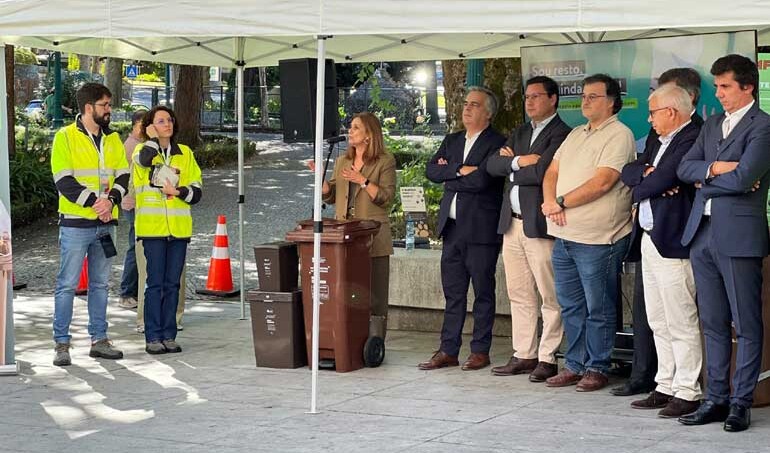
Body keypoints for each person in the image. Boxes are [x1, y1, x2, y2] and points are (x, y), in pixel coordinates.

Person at [677, 54, 770, 432]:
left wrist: (708, 177)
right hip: (702, 233)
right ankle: (715, 398)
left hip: (740, 235)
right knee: (712, 322)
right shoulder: (712, 123)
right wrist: (716, 168)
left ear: (748, 86)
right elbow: (685, 168)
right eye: (716, 86)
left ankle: (740, 401)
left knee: (746, 323)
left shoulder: (763, 126)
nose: (719, 94)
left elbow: (747, 175)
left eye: (726, 86)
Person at [611, 67, 704, 398]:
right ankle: (664, 384)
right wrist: (647, 176)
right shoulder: (658, 139)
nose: (648, 119)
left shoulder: (693, 135)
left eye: (652, 113)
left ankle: (687, 390)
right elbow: (630, 172)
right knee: (658, 319)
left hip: (675, 239)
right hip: (649, 236)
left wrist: (649, 179)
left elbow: (663, 179)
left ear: (671, 111)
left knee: (680, 319)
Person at [541, 74, 636, 392]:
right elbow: (551, 170)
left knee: (599, 306)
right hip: (565, 236)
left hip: (599, 238)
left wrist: (561, 202)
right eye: (583, 96)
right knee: (570, 305)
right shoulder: (576, 134)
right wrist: (548, 201)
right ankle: (575, 364)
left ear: (611, 101)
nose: (585, 101)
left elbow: (604, 181)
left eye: (593, 96)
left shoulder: (619, 134)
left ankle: (598, 366)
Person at [486, 76, 570, 382]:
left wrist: (513, 167)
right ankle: (524, 353)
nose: (530, 102)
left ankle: (548, 357)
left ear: (553, 99)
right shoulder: (520, 131)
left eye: (536, 96)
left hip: (540, 225)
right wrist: (521, 161)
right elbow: (492, 166)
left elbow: (544, 172)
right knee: (519, 293)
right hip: (512, 224)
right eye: (526, 97)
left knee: (549, 294)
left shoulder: (562, 133)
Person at [419, 87, 506, 371]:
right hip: (452, 228)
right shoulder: (452, 139)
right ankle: (448, 349)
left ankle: (480, 350)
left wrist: (451, 175)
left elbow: (483, 181)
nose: (467, 108)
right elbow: (432, 171)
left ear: (488, 112)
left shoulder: (497, 142)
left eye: (475, 105)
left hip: (481, 230)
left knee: (483, 291)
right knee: (453, 292)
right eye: (466, 103)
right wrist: (458, 170)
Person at [50, 83, 129, 366]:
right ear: (88, 108)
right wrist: (97, 202)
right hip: (75, 224)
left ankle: (100, 340)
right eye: (104, 105)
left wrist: (110, 202)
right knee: (67, 285)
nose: (109, 110)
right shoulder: (65, 137)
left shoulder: (113, 139)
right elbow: (63, 180)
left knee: (100, 285)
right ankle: (62, 344)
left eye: (109, 105)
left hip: (106, 224)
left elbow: (123, 175)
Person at [310, 112, 396, 340]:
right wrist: (324, 184)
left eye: (356, 128)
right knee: (347, 291)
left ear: (369, 134)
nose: (350, 131)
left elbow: (386, 198)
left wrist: (363, 181)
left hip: (373, 237)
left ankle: (376, 341)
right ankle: (348, 337)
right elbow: (332, 195)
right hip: (344, 236)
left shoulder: (385, 161)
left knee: (375, 292)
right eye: (351, 127)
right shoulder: (342, 161)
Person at [133, 106, 202, 355]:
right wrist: (151, 139)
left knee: (173, 284)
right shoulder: (143, 151)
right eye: (161, 121)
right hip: (152, 230)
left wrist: (179, 192)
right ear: (150, 125)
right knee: (155, 284)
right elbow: (143, 163)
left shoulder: (185, 154)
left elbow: (197, 191)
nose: (167, 124)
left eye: (170, 120)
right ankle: (153, 336)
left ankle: (169, 335)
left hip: (179, 230)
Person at [117, 110, 146, 310]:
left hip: (137, 203)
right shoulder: (131, 147)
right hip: (132, 203)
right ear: (135, 125)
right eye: (143, 125)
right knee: (134, 248)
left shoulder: (139, 145)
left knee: (138, 247)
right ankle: (127, 292)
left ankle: (133, 291)